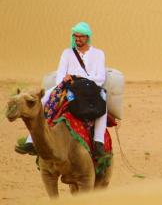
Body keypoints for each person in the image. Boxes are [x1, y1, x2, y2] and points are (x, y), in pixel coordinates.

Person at [15, 22, 108, 158]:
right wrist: (66, 80)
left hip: (91, 88)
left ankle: (98, 141)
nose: (78, 39)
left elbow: (100, 77)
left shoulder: (98, 54)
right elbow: (60, 76)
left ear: (87, 37)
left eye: (81, 36)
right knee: (45, 98)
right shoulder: (67, 53)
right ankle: (31, 140)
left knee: (103, 101)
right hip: (69, 87)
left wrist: (79, 77)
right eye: (75, 36)